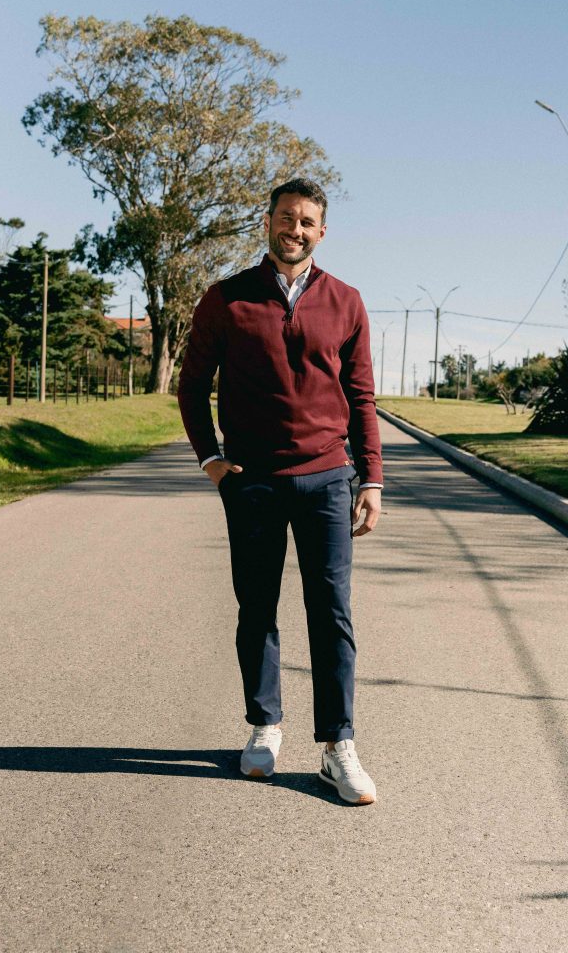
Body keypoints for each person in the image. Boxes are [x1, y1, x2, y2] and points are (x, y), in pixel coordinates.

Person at [177, 178, 383, 805]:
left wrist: (371, 478)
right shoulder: (226, 298)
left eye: (307, 221)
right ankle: (265, 726)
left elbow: (361, 397)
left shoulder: (346, 301)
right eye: (286, 218)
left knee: (332, 613)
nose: (295, 229)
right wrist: (212, 460)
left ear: (322, 231)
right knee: (257, 608)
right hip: (254, 483)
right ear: (267, 222)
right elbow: (192, 386)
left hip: (327, 479)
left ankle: (338, 746)